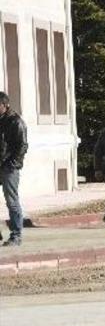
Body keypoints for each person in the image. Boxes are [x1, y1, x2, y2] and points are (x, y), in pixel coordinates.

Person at [0, 92, 28, 246]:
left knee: (11, 201)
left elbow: (22, 145)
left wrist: (13, 163)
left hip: (9, 167)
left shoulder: (15, 122)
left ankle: (16, 235)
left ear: (5, 105)